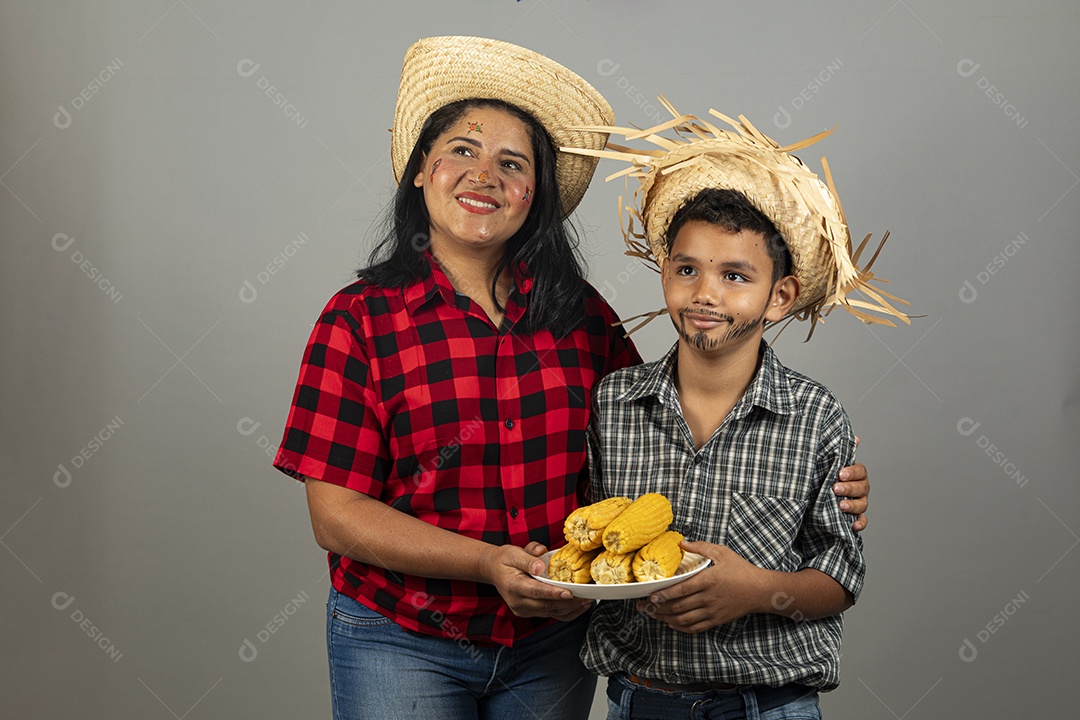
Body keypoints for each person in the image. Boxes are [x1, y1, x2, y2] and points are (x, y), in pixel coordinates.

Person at [271, 38, 872, 720]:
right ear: (420, 170)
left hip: (550, 643)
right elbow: (336, 516)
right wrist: (487, 564)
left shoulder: (583, 318)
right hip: (401, 634)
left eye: (512, 163)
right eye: (462, 151)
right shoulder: (358, 322)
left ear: (537, 193)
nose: (484, 175)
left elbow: (665, 431)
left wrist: (821, 477)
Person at [568, 106, 909, 719]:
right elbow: (585, 539)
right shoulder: (612, 404)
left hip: (767, 705)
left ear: (780, 296)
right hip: (641, 702)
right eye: (687, 269)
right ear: (665, 272)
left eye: (735, 276)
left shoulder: (814, 417)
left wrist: (752, 590)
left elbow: (839, 580)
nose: (705, 294)